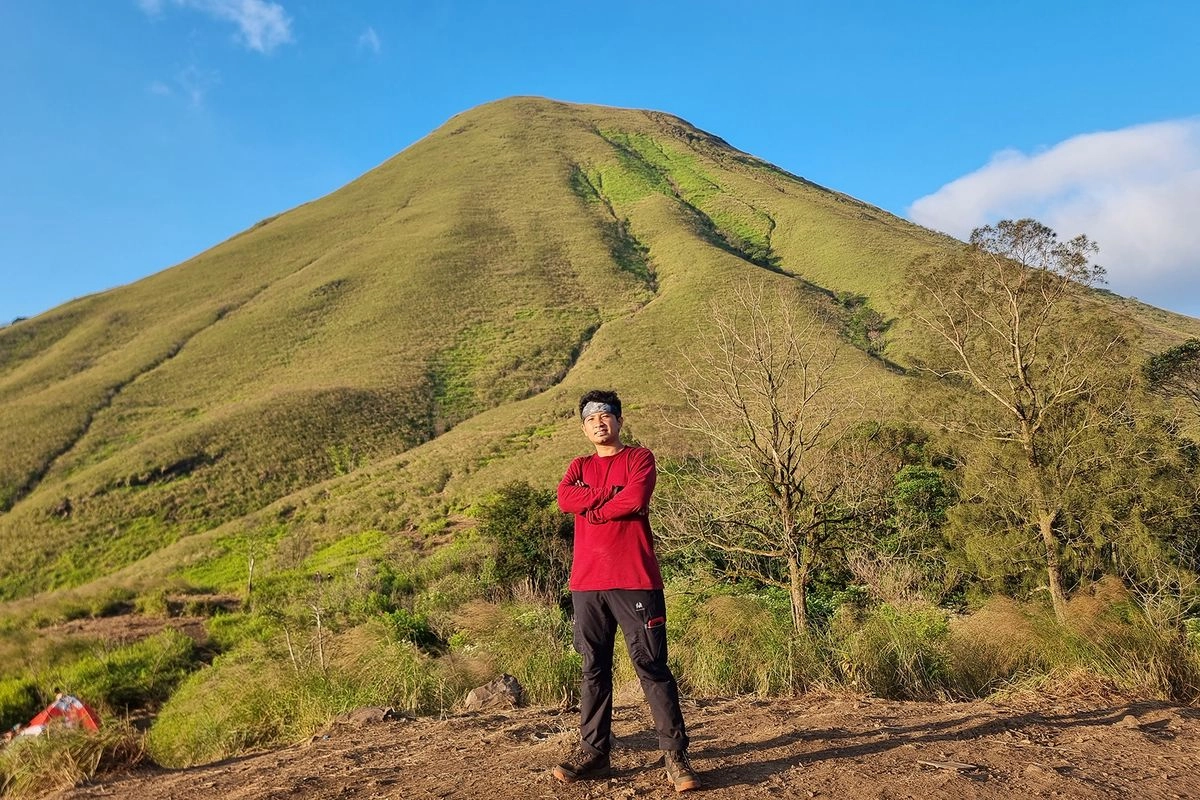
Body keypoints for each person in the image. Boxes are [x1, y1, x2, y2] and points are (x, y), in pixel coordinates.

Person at [552, 389, 700, 792]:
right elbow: (566, 499)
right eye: (590, 418)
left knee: (651, 667)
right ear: (583, 428)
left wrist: (593, 505)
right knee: (593, 669)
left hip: (635, 579)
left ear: (618, 420)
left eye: (605, 415)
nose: (598, 422)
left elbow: (635, 498)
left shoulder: (639, 458)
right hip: (587, 584)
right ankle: (595, 752)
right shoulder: (578, 465)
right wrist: (606, 496)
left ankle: (675, 756)